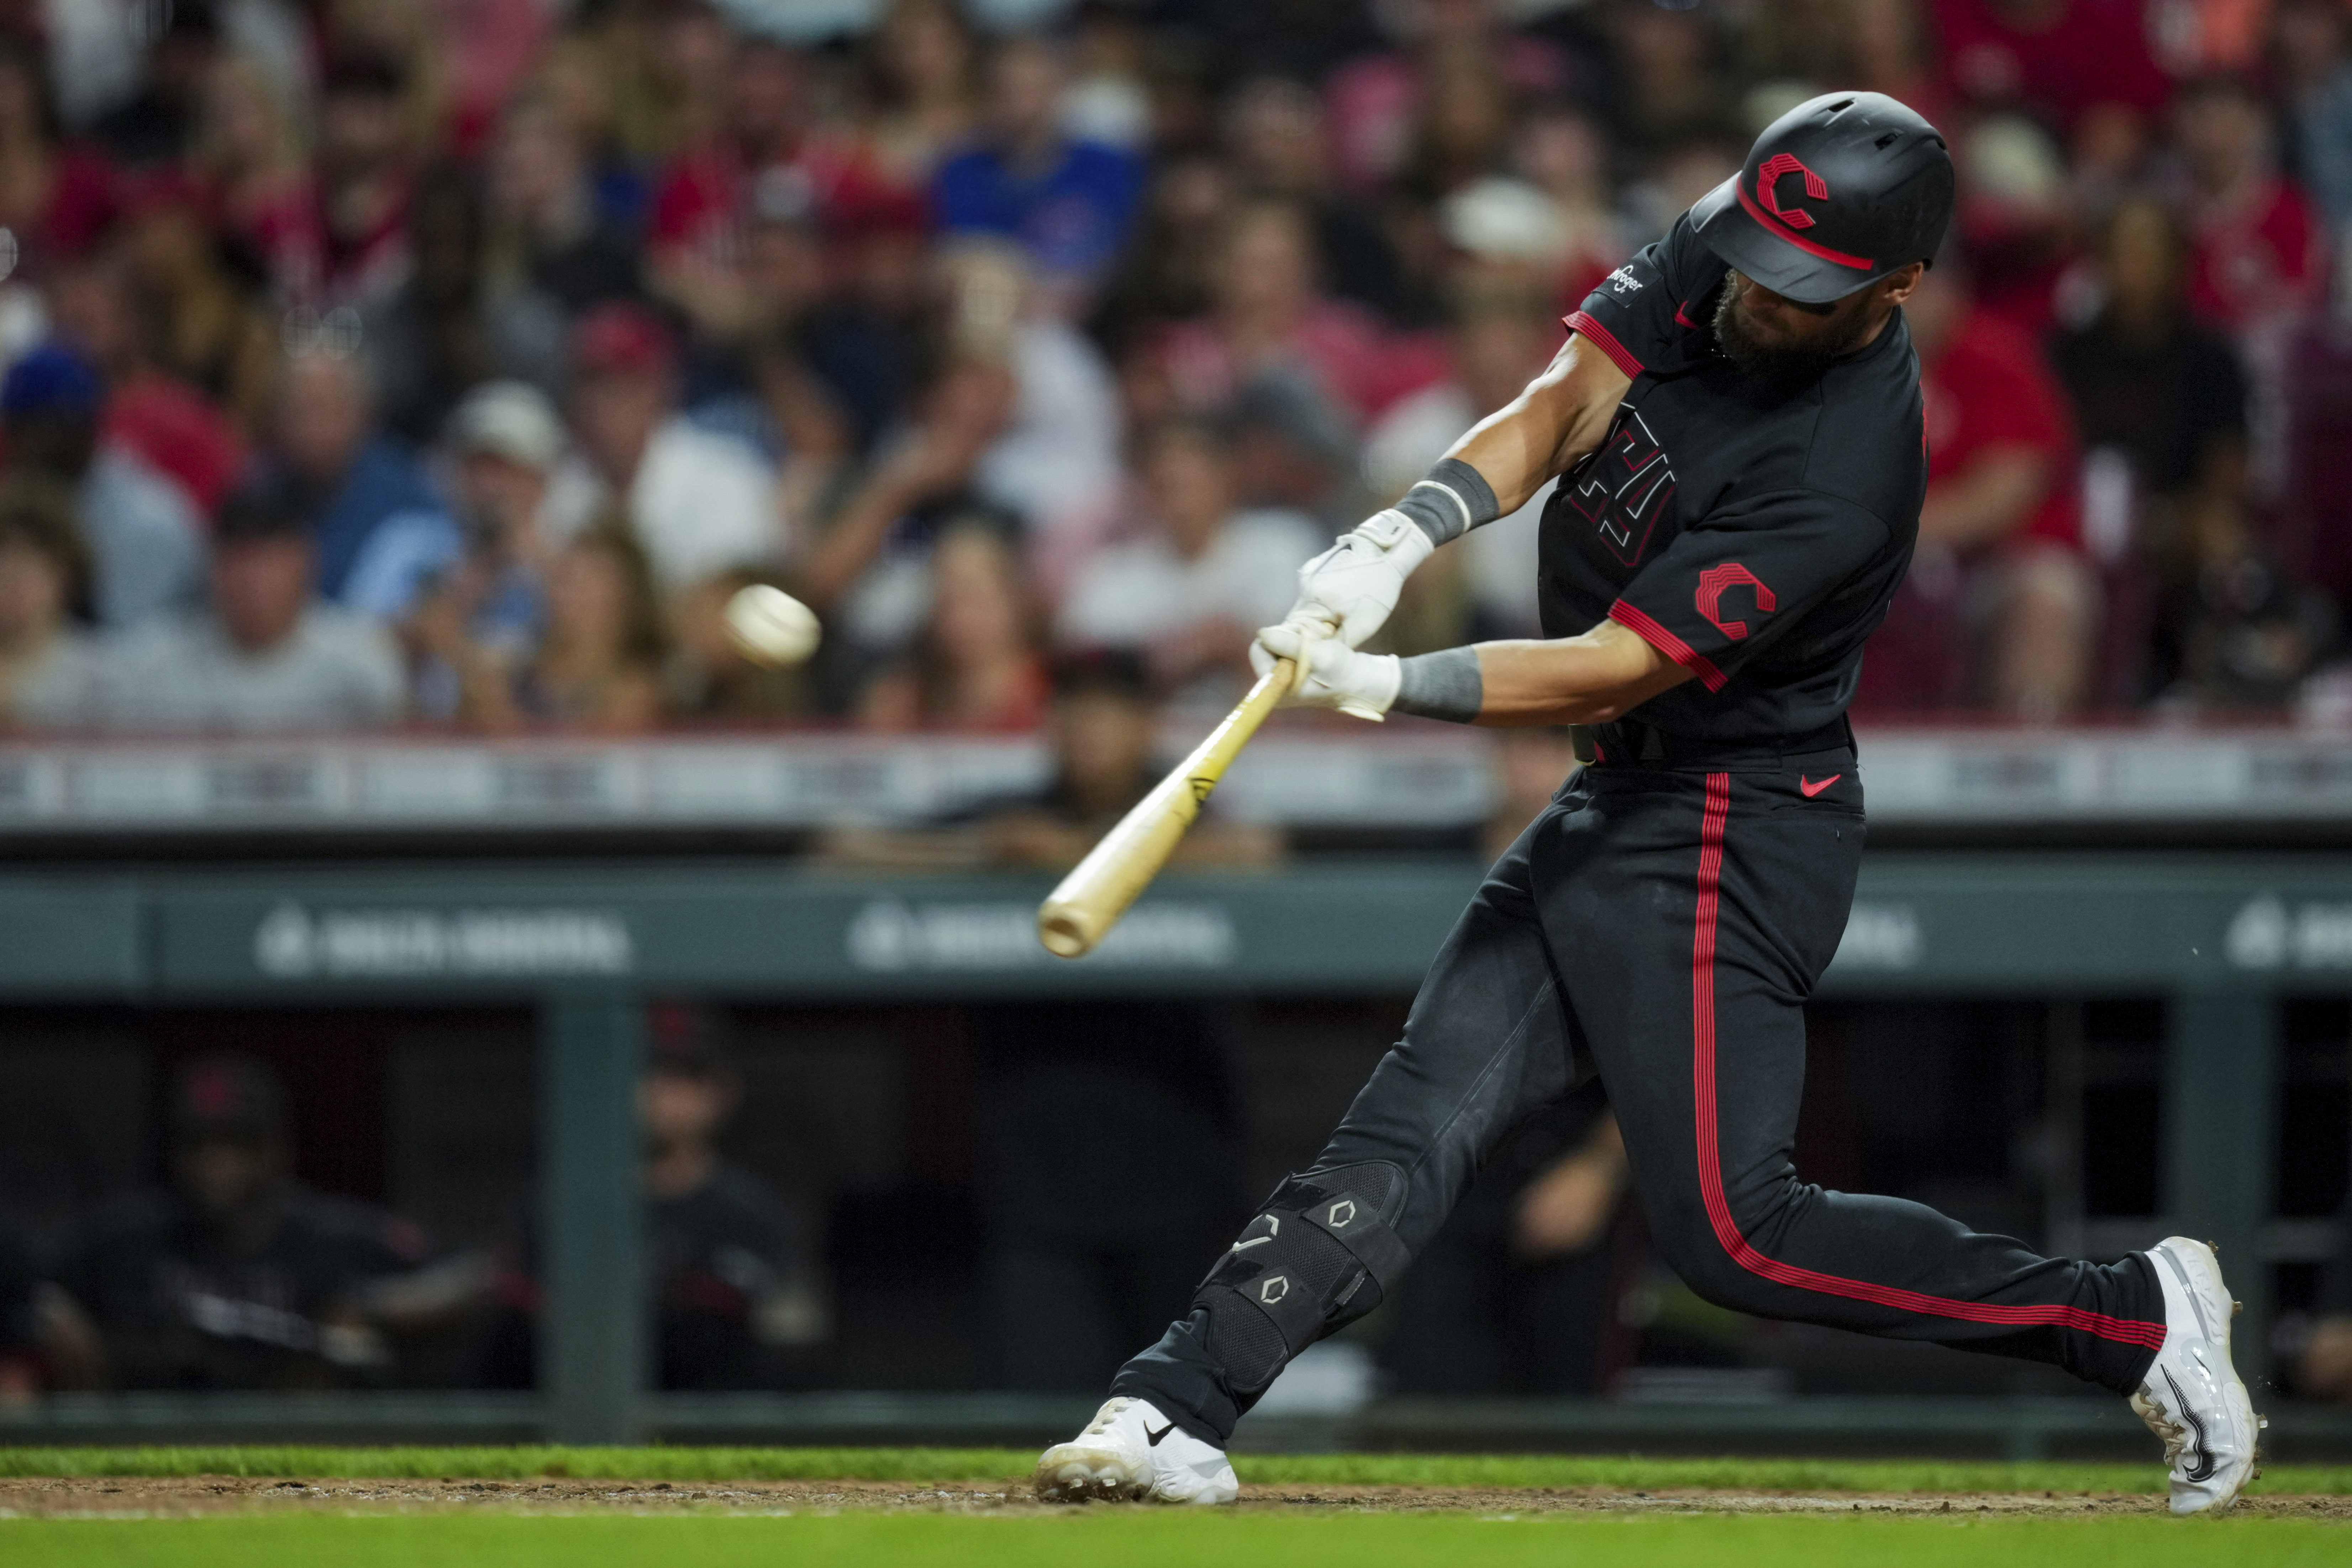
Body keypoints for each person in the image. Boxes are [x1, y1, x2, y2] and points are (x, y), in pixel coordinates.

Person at [1031, 94, 2256, 1516]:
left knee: (1737, 1238)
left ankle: (2130, 1316)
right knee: (1410, 1120)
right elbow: (1564, 398)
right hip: (1616, 803)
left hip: (1729, 824)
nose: (1749, 294)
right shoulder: (1739, 248)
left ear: (1894, 286)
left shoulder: (1840, 472)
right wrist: (1406, 526)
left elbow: (1616, 664)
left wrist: (1384, 684)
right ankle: (1173, 1404)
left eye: (1796, 288)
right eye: (1744, 254)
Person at [42, 1055, 441, 1390]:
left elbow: (466, 1276)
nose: (216, 1163)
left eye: (236, 1143)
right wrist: (50, 1309)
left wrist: (375, 1309)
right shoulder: (130, 1238)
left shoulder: (334, 1236)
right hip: (158, 1447)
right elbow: (22, 1276)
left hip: (304, 1451)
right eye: (199, 1144)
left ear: (276, 1150)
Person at [91, 479, 406, 733]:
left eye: (270, 560)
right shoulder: (147, 664)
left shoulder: (361, 660)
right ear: (210, 568)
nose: (254, 580)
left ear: (307, 563)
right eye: (239, 559)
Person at [1056, 419, 1319, 696]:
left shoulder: (1284, 545)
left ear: (1228, 473)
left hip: (1279, 732)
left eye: (1191, 468)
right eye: (1162, 473)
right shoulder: (1112, 572)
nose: (1173, 474)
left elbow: (1324, 657)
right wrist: (1175, 658)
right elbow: (1083, 674)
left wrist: (1230, 645)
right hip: (1158, 733)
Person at [551, 302, 784, 598]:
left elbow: (746, 603)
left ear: (662, 389)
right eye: (595, 384)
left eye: (627, 383)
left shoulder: (724, 476)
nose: (606, 404)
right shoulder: (569, 483)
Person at [0, 341, 206, 631]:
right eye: (14, 428)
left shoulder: (146, 522)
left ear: (78, 426)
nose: (19, 446)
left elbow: (127, 653)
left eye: (32, 428)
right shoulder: (21, 499)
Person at [931, 35, 1145, 309]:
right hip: (992, 313)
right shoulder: (962, 171)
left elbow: (1120, 259)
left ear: (1060, 88)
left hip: (1091, 318)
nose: (1019, 103)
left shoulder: (1108, 168)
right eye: (1005, 90)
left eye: (1031, 89)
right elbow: (955, 259)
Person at [267, 346, 449, 605]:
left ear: (364, 412)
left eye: (324, 408)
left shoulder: (409, 498)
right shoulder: (257, 486)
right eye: (297, 408)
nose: (310, 426)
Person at [0, 478, 103, 727]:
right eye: (5, 560)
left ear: (66, 576)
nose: (14, 579)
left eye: (32, 563)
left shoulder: (101, 677)